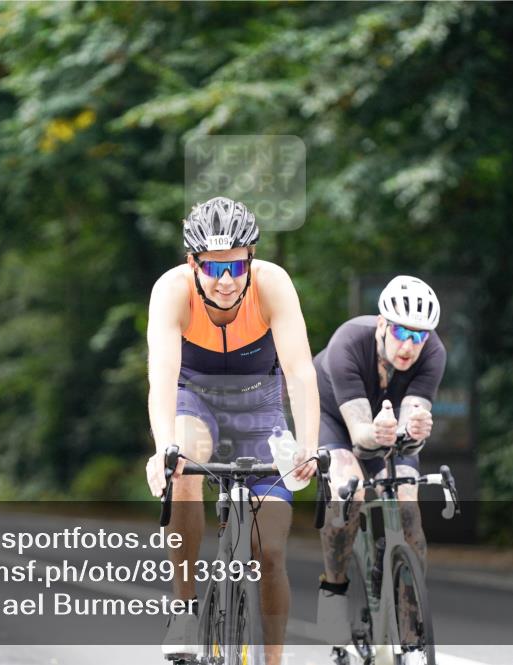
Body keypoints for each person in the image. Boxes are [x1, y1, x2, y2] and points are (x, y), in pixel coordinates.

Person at [144, 196, 320, 665]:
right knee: (184, 462)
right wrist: (164, 448)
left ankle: (274, 660)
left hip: (259, 408)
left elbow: (301, 373)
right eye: (213, 268)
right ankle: (184, 607)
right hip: (194, 398)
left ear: (251, 260)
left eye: (236, 268)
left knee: (271, 553)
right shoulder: (171, 291)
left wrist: (307, 445)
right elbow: (161, 377)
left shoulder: (273, 285)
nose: (225, 281)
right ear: (192, 262)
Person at [312, 275, 446, 639]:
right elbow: (361, 440)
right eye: (402, 332)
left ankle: (410, 623)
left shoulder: (433, 354)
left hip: (382, 422)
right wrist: (380, 432)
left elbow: (407, 438)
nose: (410, 345)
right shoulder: (348, 342)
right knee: (349, 491)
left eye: (420, 336)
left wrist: (414, 433)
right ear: (382, 325)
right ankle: (334, 588)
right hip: (333, 417)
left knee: (407, 503)